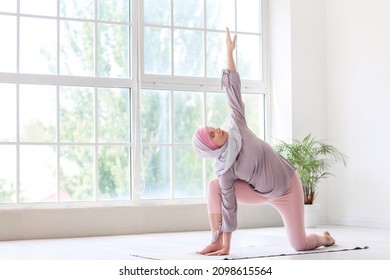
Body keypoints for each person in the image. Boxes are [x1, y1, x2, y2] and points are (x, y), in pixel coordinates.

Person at [192, 28, 335, 256]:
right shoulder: (225, 169)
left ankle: (324, 239)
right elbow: (229, 207)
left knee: (299, 245)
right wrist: (227, 246)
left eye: (212, 128)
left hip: (287, 187)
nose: (216, 130)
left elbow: (233, 89)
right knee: (214, 187)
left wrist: (229, 52)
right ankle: (216, 241)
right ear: (212, 148)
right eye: (211, 135)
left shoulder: (236, 125)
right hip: (260, 193)